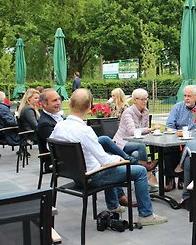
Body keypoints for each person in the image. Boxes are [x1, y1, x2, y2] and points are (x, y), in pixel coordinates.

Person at [50, 89, 168, 225]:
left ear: (70, 104)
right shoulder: (85, 131)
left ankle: (113, 206)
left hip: (75, 175)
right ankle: (146, 215)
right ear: (89, 107)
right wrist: (120, 159)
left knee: (106, 150)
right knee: (140, 171)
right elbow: (105, 161)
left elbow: (50, 147)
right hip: (92, 177)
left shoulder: (59, 126)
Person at [37, 88, 132, 210]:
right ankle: (130, 165)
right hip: (71, 166)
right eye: (54, 100)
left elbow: (55, 142)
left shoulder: (59, 120)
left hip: (74, 163)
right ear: (44, 104)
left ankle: (115, 202)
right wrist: (117, 159)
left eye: (59, 99)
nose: (59, 102)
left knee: (104, 142)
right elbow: (53, 146)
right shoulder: (45, 122)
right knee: (120, 165)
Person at [164, 85, 196, 191]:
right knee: (167, 148)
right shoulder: (177, 107)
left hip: (195, 139)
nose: (186, 98)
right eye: (185, 96)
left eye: (189, 96)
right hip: (177, 138)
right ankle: (170, 179)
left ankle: (182, 179)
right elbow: (169, 125)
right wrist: (177, 133)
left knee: (189, 148)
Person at [111, 88, 159, 184]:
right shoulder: (128, 112)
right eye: (142, 99)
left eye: (146, 99)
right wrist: (150, 129)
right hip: (122, 143)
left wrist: (148, 131)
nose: (145, 101)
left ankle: (143, 183)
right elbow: (133, 131)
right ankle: (149, 174)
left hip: (135, 143)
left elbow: (144, 130)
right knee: (140, 145)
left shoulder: (145, 111)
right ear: (134, 100)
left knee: (136, 154)